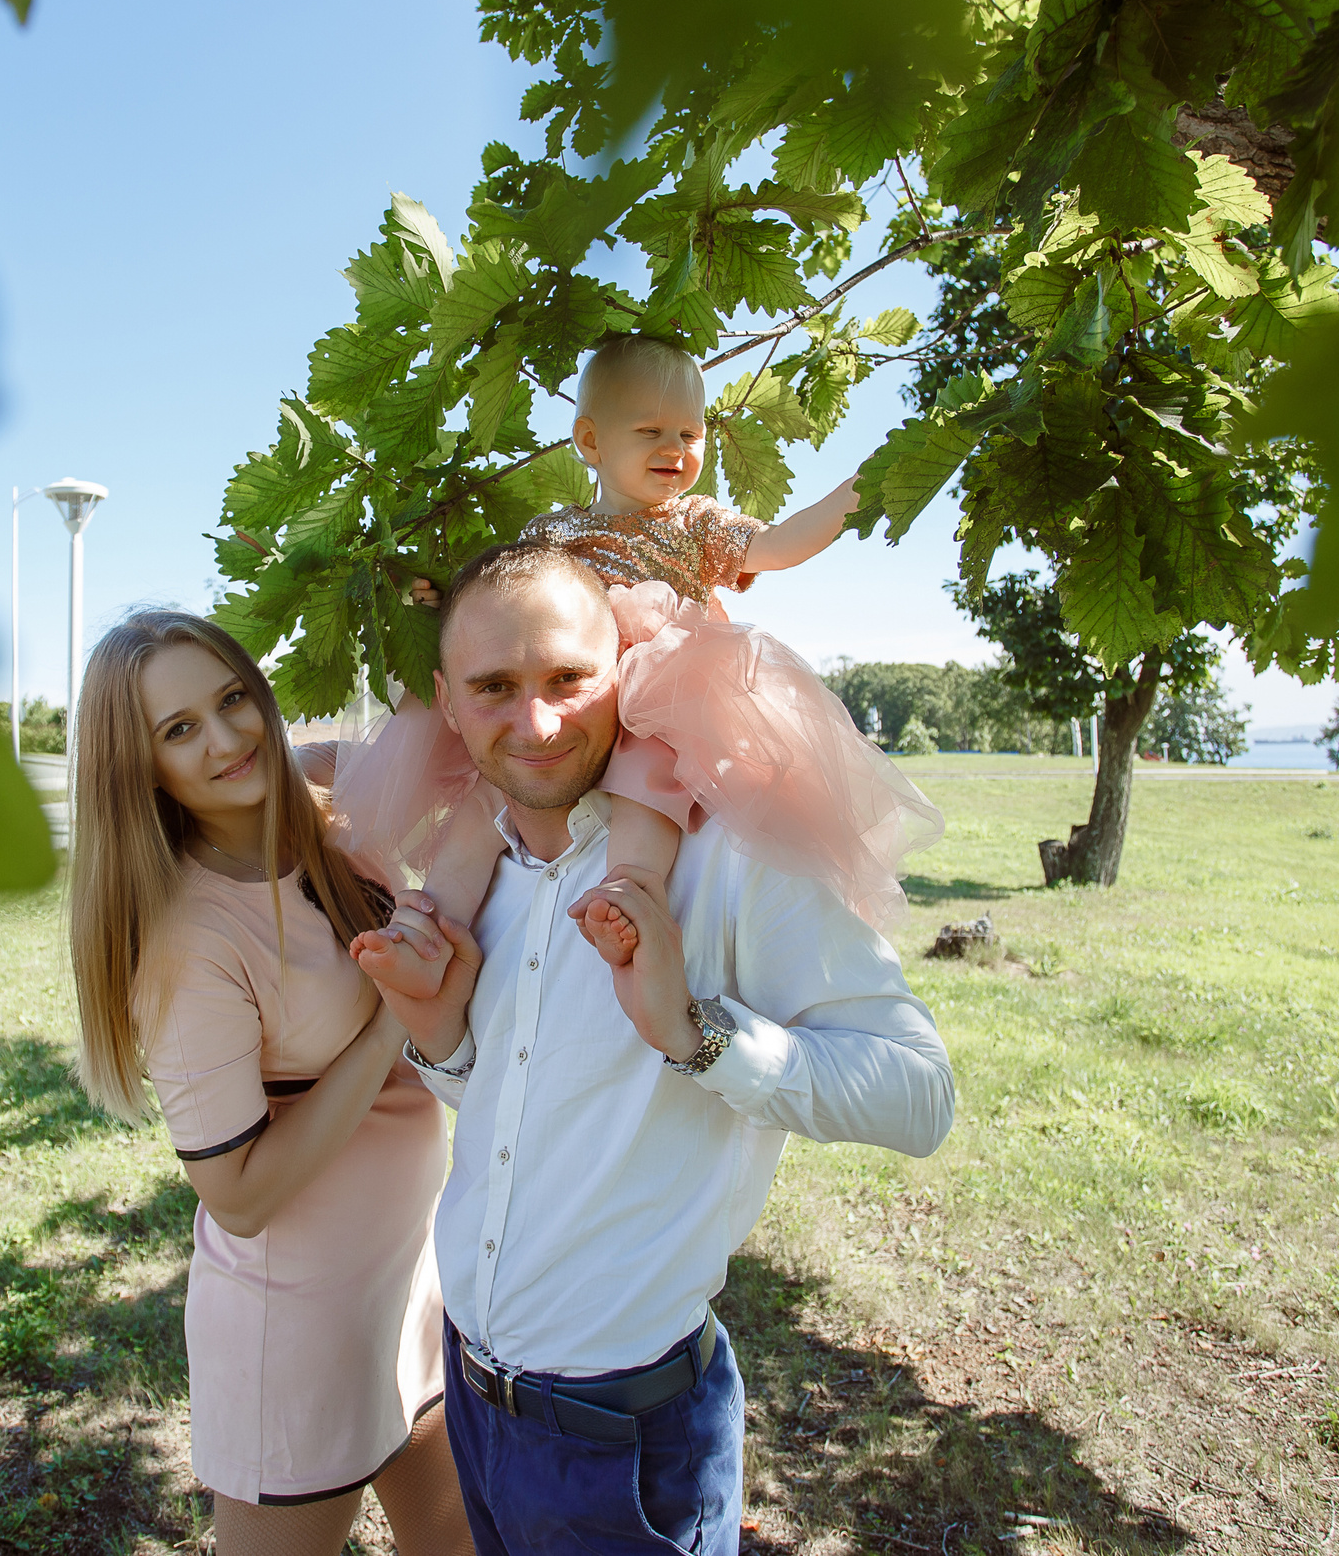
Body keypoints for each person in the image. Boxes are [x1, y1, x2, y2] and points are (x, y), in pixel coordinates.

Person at [354, 544, 956, 1556]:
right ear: (448, 706)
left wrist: (694, 1031)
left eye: (567, 680)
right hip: (471, 1401)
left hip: (625, 1445)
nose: (536, 722)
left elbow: (919, 1094)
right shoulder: (473, 872)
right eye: (496, 688)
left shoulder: (730, 863)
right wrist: (438, 1036)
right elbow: (516, 1107)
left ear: (620, 677)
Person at [333, 333, 941, 987]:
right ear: (591, 441)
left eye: (691, 432)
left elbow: (780, 544)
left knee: (651, 778)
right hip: (571, 691)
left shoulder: (694, 525)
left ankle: (632, 890)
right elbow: (507, 604)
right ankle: (429, 928)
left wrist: (865, 484)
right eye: (651, 430)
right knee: (487, 804)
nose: (675, 449)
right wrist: (447, 592)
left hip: (661, 693)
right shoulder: (551, 532)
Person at [66, 610, 475, 1556]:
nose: (226, 738)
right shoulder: (189, 939)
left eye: (233, 699)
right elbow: (238, 1193)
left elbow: (441, 739)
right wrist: (387, 1023)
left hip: (411, 1282)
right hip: (292, 1329)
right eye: (179, 730)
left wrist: (423, 609)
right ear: (142, 768)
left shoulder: (330, 824)